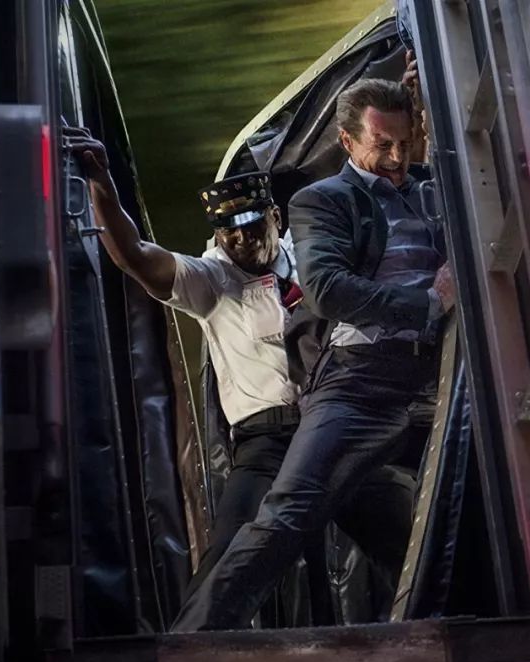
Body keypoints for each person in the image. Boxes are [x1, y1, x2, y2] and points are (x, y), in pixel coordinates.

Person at [170, 77, 455, 630]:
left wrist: (428, 91)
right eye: (382, 145)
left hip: (442, 374)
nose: (396, 158)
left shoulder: (434, 189)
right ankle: (191, 644)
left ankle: (466, 627)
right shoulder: (323, 200)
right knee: (286, 515)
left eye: (404, 143)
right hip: (360, 382)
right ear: (347, 142)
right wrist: (427, 302)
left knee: (441, 517)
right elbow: (326, 289)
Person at [63, 127, 334, 624]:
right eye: (228, 231)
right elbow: (134, 254)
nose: (241, 239)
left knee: (402, 518)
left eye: (251, 224)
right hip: (268, 439)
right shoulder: (211, 279)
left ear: (275, 217)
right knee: (231, 550)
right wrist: (102, 183)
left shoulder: (310, 255)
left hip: (331, 425)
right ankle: (189, 648)